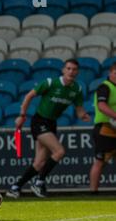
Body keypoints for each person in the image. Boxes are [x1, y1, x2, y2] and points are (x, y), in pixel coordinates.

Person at [6, 59, 91, 199]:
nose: (71, 71)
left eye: (74, 69)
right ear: (63, 70)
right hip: (39, 121)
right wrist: (22, 115)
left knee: (39, 163)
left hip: (51, 123)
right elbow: (29, 96)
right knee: (59, 151)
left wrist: (84, 116)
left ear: (77, 72)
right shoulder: (51, 83)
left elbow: (79, 109)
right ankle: (39, 183)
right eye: (68, 68)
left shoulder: (77, 89)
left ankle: (15, 187)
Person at [89, 63, 116, 194]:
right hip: (105, 129)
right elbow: (101, 106)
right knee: (100, 161)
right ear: (110, 73)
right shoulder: (104, 87)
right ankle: (93, 192)